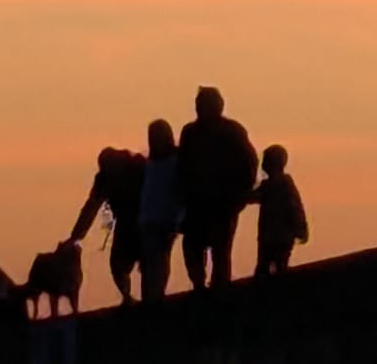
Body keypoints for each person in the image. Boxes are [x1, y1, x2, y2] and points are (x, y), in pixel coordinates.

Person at [176, 86, 257, 289]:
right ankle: (201, 286)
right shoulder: (191, 132)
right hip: (198, 203)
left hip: (224, 203)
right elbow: (182, 165)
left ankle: (217, 291)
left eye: (202, 104)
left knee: (220, 250)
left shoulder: (232, 131)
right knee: (194, 247)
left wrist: (239, 197)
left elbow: (249, 164)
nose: (199, 109)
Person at [68, 146, 146, 304]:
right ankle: (128, 298)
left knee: (148, 263)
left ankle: (149, 300)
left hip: (146, 220)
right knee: (118, 265)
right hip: (128, 222)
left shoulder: (137, 167)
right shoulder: (104, 178)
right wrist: (76, 236)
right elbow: (91, 208)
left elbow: (91, 208)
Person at [247, 144, 310, 276]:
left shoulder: (276, 185)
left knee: (268, 268)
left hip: (276, 236)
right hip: (277, 236)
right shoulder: (280, 184)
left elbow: (295, 207)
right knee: (274, 267)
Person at [139, 119, 183, 301]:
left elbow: (180, 190)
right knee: (150, 262)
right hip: (148, 220)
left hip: (165, 219)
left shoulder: (176, 161)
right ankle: (151, 297)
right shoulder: (150, 163)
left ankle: (154, 297)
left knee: (156, 260)